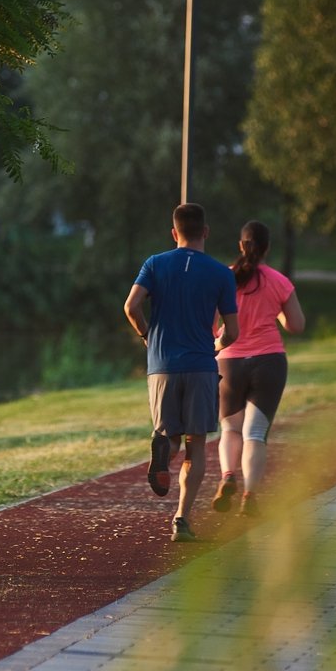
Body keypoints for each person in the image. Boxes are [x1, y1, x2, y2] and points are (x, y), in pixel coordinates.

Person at [123, 203, 239, 543]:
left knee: (170, 434)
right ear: (205, 231)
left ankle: (164, 454)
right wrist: (217, 344)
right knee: (198, 443)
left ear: (174, 233)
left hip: (161, 366)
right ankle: (181, 521)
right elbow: (232, 330)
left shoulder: (155, 264)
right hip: (201, 365)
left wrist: (147, 336)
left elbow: (131, 306)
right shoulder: (221, 273)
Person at [211, 221, 305, 518]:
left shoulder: (222, 278)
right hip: (270, 362)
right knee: (255, 433)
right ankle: (250, 494)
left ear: (241, 245)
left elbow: (212, 327)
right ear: (267, 248)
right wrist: (274, 310)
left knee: (230, 429)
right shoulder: (278, 280)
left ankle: (228, 475)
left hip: (229, 361)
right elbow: (296, 325)